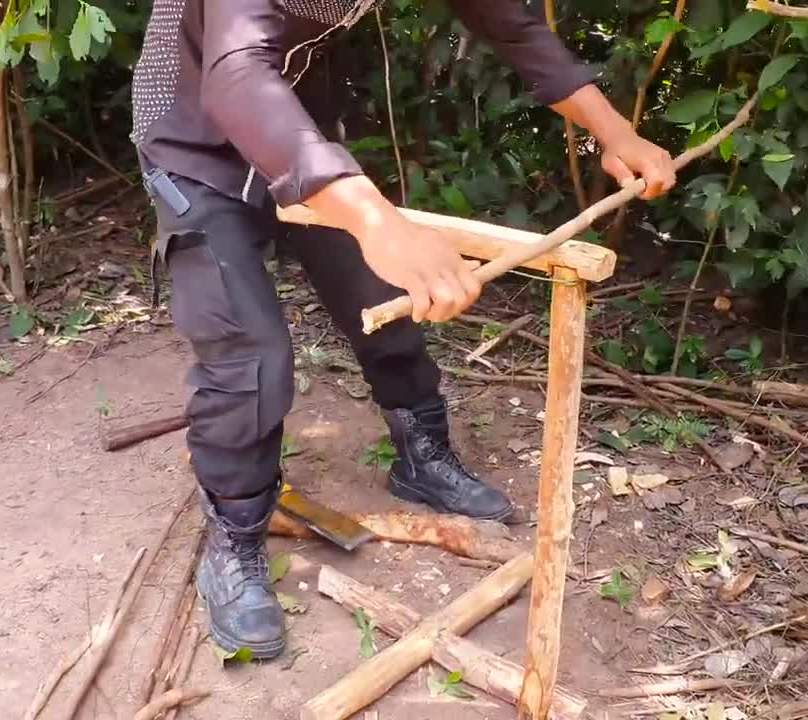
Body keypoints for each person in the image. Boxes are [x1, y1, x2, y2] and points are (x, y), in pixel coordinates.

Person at [129, 0, 677, 660]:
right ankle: (235, 535)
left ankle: (422, 456)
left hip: (302, 133)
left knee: (381, 292)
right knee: (249, 355)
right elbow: (236, 72)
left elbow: (511, 24)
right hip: (195, 141)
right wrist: (375, 219)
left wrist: (610, 132)